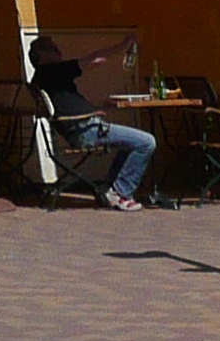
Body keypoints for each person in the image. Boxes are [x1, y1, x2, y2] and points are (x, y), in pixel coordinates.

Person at [27, 35, 156, 210]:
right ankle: (120, 193)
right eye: (54, 49)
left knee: (131, 143)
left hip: (85, 126)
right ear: (41, 55)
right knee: (146, 142)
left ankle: (111, 189)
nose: (60, 52)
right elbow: (96, 60)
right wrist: (122, 45)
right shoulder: (52, 71)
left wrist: (92, 111)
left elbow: (64, 106)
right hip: (86, 130)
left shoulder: (42, 77)